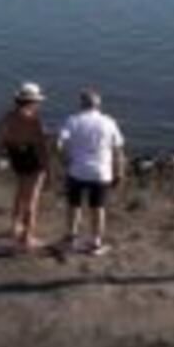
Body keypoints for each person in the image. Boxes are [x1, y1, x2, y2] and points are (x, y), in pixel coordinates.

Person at [58, 89, 126, 255]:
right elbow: (118, 150)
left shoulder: (73, 120)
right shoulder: (109, 122)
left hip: (77, 170)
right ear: (98, 104)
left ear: (81, 104)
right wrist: (120, 172)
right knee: (98, 207)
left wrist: (65, 159)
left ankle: (71, 238)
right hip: (101, 172)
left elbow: (59, 142)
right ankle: (96, 242)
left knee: (74, 205)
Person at [0, 82, 51, 249]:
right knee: (32, 198)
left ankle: (14, 227)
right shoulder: (33, 120)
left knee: (20, 192)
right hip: (32, 159)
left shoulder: (9, 115)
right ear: (33, 101)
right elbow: (41, 147)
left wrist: (6, 146)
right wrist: (48, 169)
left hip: (16, 157)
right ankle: (27, 237)